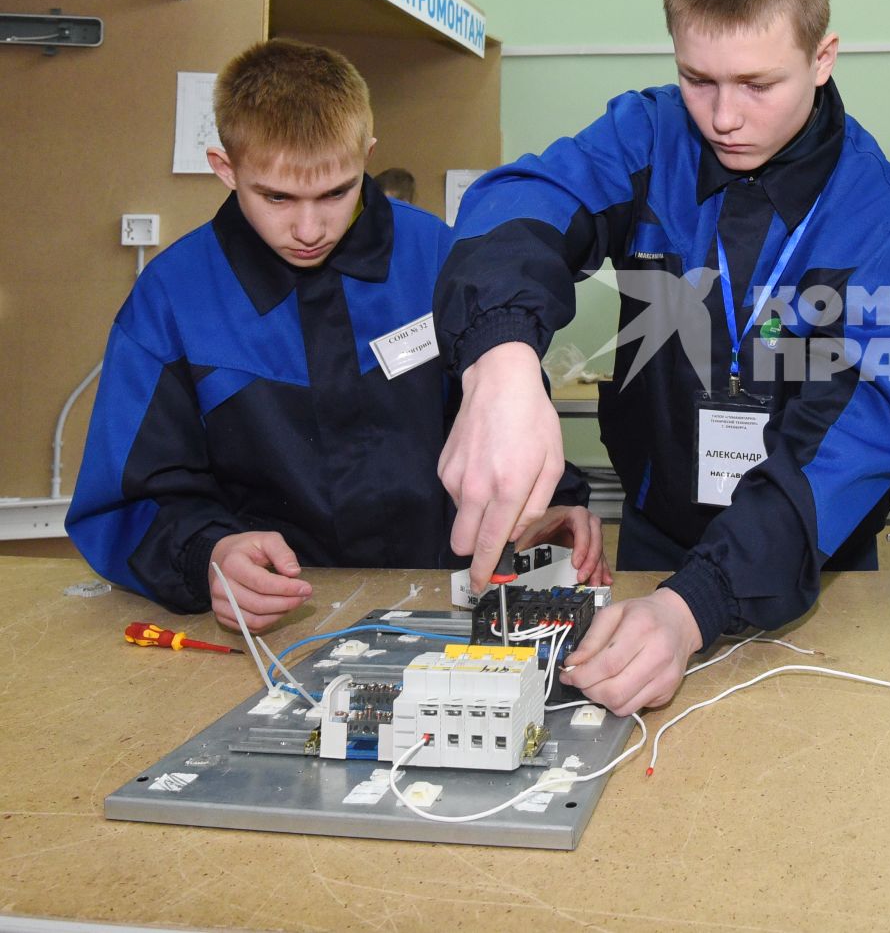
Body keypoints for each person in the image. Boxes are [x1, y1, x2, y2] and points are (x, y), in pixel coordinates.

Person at [433, 0, 890, 717]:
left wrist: (693, 605)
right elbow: (521, 203)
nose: (723, 117)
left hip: (808, 550)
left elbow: (856, 437)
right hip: (659, 526)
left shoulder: (881, 217)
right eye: (698, 79)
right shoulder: (647, 134)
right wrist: (499, 358)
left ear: (822, 58)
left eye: (758, 84)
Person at [66, 39, 606, 632]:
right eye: (276, 196)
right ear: (225, 168)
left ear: (367, 156)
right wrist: (209, 556)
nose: (308, 229)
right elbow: (128, 503)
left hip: (449, 604)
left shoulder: (445, 261)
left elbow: (506, 424)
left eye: (335, 193)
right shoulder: (170, 299)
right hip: (277, 628)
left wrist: (553, 505)